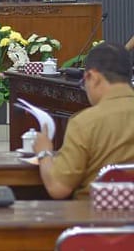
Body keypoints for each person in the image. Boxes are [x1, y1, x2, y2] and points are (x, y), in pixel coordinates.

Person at [34, 42, 134, 199]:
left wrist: (44, 152)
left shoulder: (85, 123)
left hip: (94, 217)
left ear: (92, 77)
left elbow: (58, 188)